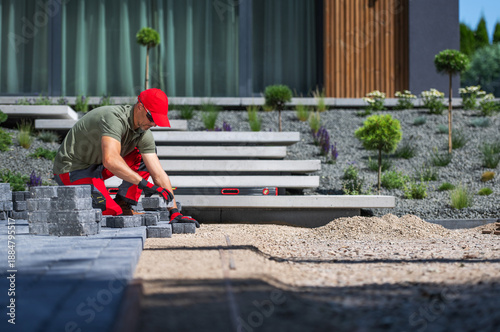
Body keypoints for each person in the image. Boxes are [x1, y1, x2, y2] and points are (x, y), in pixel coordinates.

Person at [53, 88, 199, 227]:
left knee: (143, 156)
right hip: (72, 170)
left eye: (157, 121)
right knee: (112, 212)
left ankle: (124, 202)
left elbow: (158, 173)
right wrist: (146, 185)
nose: (153, 124)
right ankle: (66, 201)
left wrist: (174, 212)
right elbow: (110, 160)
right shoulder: (114, 119)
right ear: (140, 107)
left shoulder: (143, 132)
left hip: (97, 166)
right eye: (151, 118)